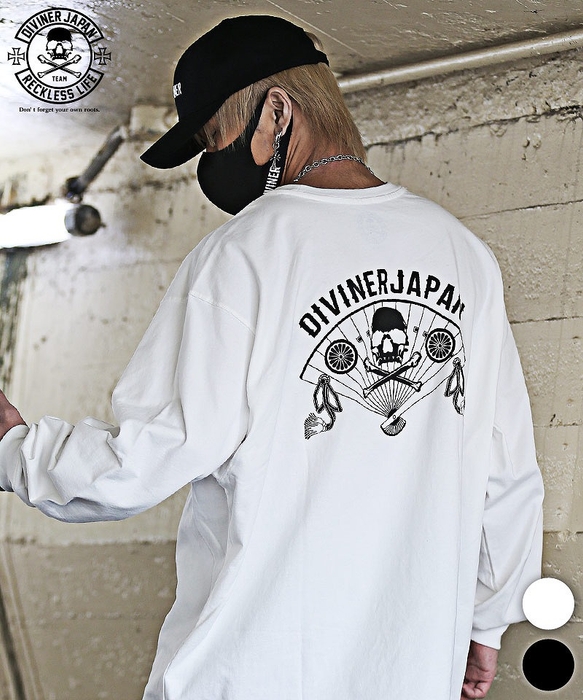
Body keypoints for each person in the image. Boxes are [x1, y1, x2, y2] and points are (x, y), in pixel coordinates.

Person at [0, 14, 543, 700]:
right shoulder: (464, 258)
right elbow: (506, 470)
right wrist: (487, 620)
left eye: (213, 138)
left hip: (248, 675)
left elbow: (144, 458)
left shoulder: (245, 254)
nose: (211, 164)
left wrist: (16, 451)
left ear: (278, 111)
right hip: (405, 678)